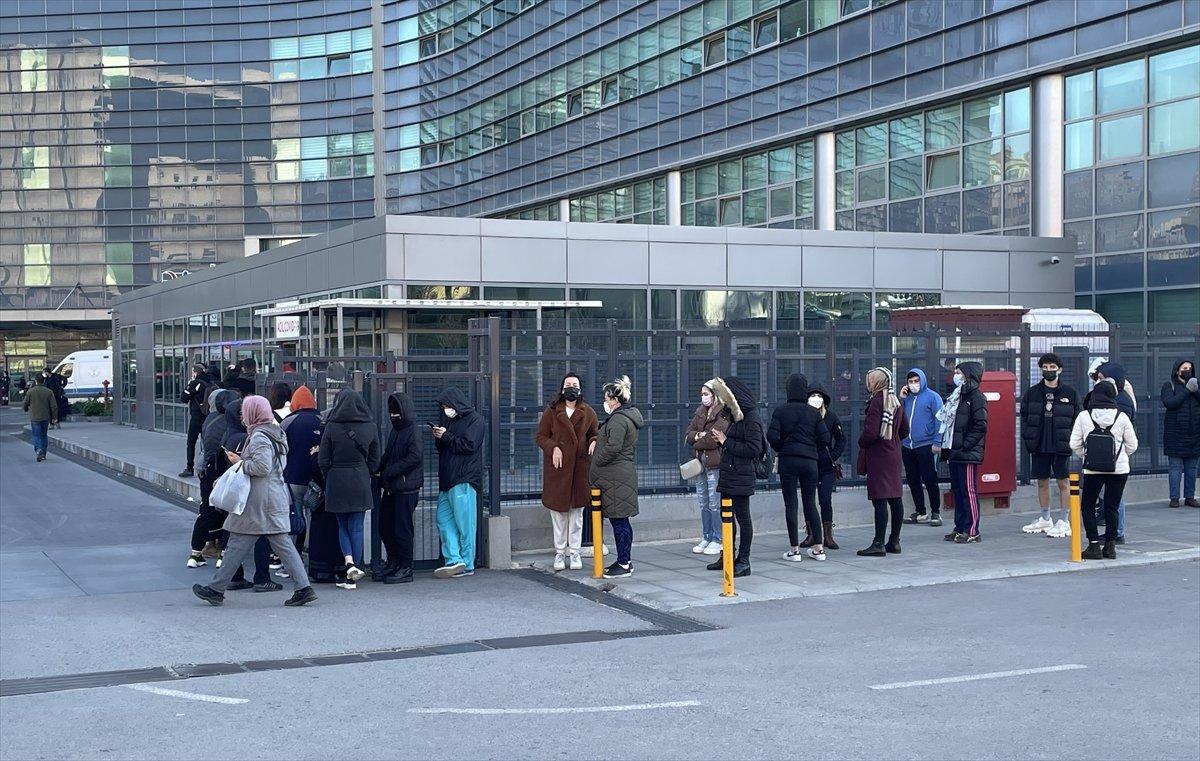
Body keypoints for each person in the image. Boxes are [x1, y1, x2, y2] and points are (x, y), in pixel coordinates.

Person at [192, 395, 317, 607]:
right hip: (271, 499)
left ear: (253, 413)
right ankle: (303, 588)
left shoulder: (259, 436)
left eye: (245, 411)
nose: (242, 416)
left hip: (259, 502)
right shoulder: (273, 432)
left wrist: (240, 462)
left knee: (238, 543)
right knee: (278, 545)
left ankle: (216, 589)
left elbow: (261, 467)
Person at [318, 389, 380, 589]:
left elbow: (323, 459)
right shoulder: (370, 426)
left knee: (342, 526)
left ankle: (349, 563)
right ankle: (355, 570)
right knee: (357, 526)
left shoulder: (331, 427)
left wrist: (329, 475)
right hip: (360, 478)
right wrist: (366, 471)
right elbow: (375, 458)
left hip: (336, 479)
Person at [536, 372, 599, 571]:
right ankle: (559, 553)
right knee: (559, 515)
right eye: (568, 384)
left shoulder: (588, 411)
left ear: (580, 389)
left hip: (579, 469)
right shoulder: (552, 411)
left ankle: (575, 553)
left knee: (577, 515)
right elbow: (541, 436)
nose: (571, 387)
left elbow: (594, 434)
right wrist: (553, 447)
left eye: (575, 384)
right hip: (558, 470)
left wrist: (594, 442)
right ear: (562, 389)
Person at [1070, 381, 1139, 559]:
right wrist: (1120, 456)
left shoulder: (1084, 416)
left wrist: (1086, 455)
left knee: (1087, 506)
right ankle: (1110, 546)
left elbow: (1074, 444)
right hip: (1119, 469)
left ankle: (1093, 545)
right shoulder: (1122, 417)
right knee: (1112, 507)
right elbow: (1133, 445)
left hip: (1093, 470)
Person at [768, 373, 831, 562]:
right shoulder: (813, 412)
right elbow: (825, 439)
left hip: (788, 461)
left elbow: (771, 437)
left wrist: (782, 447)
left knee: (791, 504)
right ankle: (818, 548)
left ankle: (794, 550)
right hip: (810, 462)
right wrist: (811, 449)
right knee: (810, 502)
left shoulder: (780, 411)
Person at [706, 376, 763, 578]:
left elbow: (754, 449)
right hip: (730, 473)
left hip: (742, 475)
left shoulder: (751, 418)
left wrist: (725, 441)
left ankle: (744, 561)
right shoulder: (734, 416)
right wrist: (722, 440)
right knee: (726, 517)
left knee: (743, 518)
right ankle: (727, 555)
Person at [1020, 353, 1081, 536]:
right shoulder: (1032, 393)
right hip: (1039, 444)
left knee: (1064, 482)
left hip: (1061, 445)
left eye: (1052, 368)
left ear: (1059, 370)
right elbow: (1024, 416)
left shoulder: (1070, 393)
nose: (1048, 371)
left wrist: (1072, 438)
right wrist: (1028, 436)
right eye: (1045, 368)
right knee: (1042, 481)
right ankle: (1045, 518)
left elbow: (1078, 417)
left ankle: (1064, 520)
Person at [216, 397, 274, 591]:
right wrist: (242, 462)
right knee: (264, 535)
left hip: (232, 493)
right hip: (247, 494)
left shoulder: (227, 435)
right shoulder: (246, 438)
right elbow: (261, 467)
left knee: (233, 536)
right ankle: (262, 578)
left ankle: (231, 578)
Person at [589, 376, 644, 579]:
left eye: (606, 398)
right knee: (621, 521)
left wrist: (598, 460)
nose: (605, 402)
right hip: (618, 477)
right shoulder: (623, 417)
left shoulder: (619, 419)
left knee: (619, 522)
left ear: (614, 399)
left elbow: (614, 446)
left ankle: (624, 562)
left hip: (615, 478)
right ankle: (624, 560)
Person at [433, 387, 486, 578]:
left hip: (464, 478)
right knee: (443, 519)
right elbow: (447, 447)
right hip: (448, 479)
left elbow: (469, 445)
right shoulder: (450, 420)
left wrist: (445, 436)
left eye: (447, 405)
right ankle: (455, 560)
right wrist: (441, 437)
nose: (446, 409)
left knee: (465, 524)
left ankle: (467, 562)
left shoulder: (476, 420)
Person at [856, 368, 909, 557]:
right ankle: (894, 541)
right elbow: (905, 430)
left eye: (870, 380)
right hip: (894, 453)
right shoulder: (896, 401)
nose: (867, 383)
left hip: (879, 456)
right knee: (895, 497)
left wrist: (861, 443)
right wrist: (893, 439)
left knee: (880, 499)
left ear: (876, 382)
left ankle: (878, 542)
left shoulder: (877, 401)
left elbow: (870, 432)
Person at [937, 361, 988, 544]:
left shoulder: (976, 397)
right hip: (954, 450)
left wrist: (965, 445)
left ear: (968, 375)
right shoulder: (956, 395)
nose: (955, 375)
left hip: (966, 452)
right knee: (957, 490)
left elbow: (980, 425)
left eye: (959, 372)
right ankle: (959, 528)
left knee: (969, 491)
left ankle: (972, 530)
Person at [1086, 360, 1136, 541]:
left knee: (1115, 500)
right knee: (1110, 498)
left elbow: (1127, 437)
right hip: (1103, 457)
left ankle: (1117, 533)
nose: (1098, 382)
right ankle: (1113, 533)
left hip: (1113, 458)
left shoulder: (1121, 400)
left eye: (1101, 378)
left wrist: (1120, 453)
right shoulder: (1111, 397)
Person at [377, 390, 423, 583]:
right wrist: (379, 469)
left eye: (395, 413)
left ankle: (405, 567)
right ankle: (394, 561)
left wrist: (389, 471)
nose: (393, 416)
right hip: (393, 485)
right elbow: (388, 452)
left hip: (406, 487)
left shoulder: (412, 429)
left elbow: (414, 457)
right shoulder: (397, 429)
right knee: (385, 526)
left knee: (402, 529)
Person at [187, 388, 236, 568]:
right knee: (230, 513)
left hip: (207, 471)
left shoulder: (209, 420)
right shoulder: (231, 424)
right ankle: (224, 554)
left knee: (206, 511)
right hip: (226, 472)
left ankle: (195, 554)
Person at [683, 379, 730, 556]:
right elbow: (688, 433)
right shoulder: (700, 411)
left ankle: (718, 539)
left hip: (714, 463)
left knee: (714, 502)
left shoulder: (723, 413)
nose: (703, 397)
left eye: (706, 394)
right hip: (700, 462)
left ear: (715, 395)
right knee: (703, 501)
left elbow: (713, 439)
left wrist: (697, 439)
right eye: (702, 394)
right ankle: (707, 536)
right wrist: (698, 436)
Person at [281, 385, 322, 556]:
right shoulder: (322, 419)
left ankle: (294, 557)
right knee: (314, 516)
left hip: (293, 478)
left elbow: (281, 450)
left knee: (296, 517)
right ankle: (314, 554)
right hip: (317, 480)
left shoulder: (288, 422)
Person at [900, 367, 944, 527]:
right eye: (910, 381)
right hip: (907, 445)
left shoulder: (933, 397)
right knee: (912, 480)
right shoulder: (907, 398)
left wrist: (937, 441)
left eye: (916, 381)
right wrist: (902, 399)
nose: (913, 384)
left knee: (930, 479)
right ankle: (920, 512)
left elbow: (940, 420)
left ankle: (935, 512)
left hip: (926, 445)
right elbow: (899, 416)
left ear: (922, 381)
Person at [806, 382, 845, 550]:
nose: (816, 399)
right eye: (813, 396)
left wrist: (833, 456)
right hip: (808, 463)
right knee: (809, 500)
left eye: (819, 396)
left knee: (825, 499)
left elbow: (841, 439)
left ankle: (828, 535)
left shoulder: (831, 416)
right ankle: (811, 534)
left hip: (826, 465)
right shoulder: (804, 415)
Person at [1161, 359, 1200, 508]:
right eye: (1184, 368)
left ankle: (1190, 497)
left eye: (1190, 368)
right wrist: (1187, 391)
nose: (1187, 370)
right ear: (1177, 370)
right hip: (1175, 434)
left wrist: (1195, 390)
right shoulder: (1169, 385)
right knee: (1175, 467)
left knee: (1191, 468)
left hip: (1194, 434)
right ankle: (1174, 497)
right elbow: (1170, 403)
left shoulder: (1195, 385)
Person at [179, 363, 212, 478]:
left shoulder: (195, 383)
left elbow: (183, 398)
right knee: (206, 443)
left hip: (197, 417)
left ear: (196, 372)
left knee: (191, 442)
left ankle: (189, 468)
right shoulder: (211, 382)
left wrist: (189, 385)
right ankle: (206, 467)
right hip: (209, 417)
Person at [22, 374, 57, 462]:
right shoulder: (49, 391)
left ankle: (38, 450)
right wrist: (54, 417)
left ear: (36, 381)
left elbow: (25, 403)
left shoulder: (31, 391)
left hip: (35, 416)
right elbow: (54, 406)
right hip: (46, 417)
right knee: (43, 435)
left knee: (36, 435)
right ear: (44, 381)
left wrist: (26, 409)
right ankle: (44, 454)